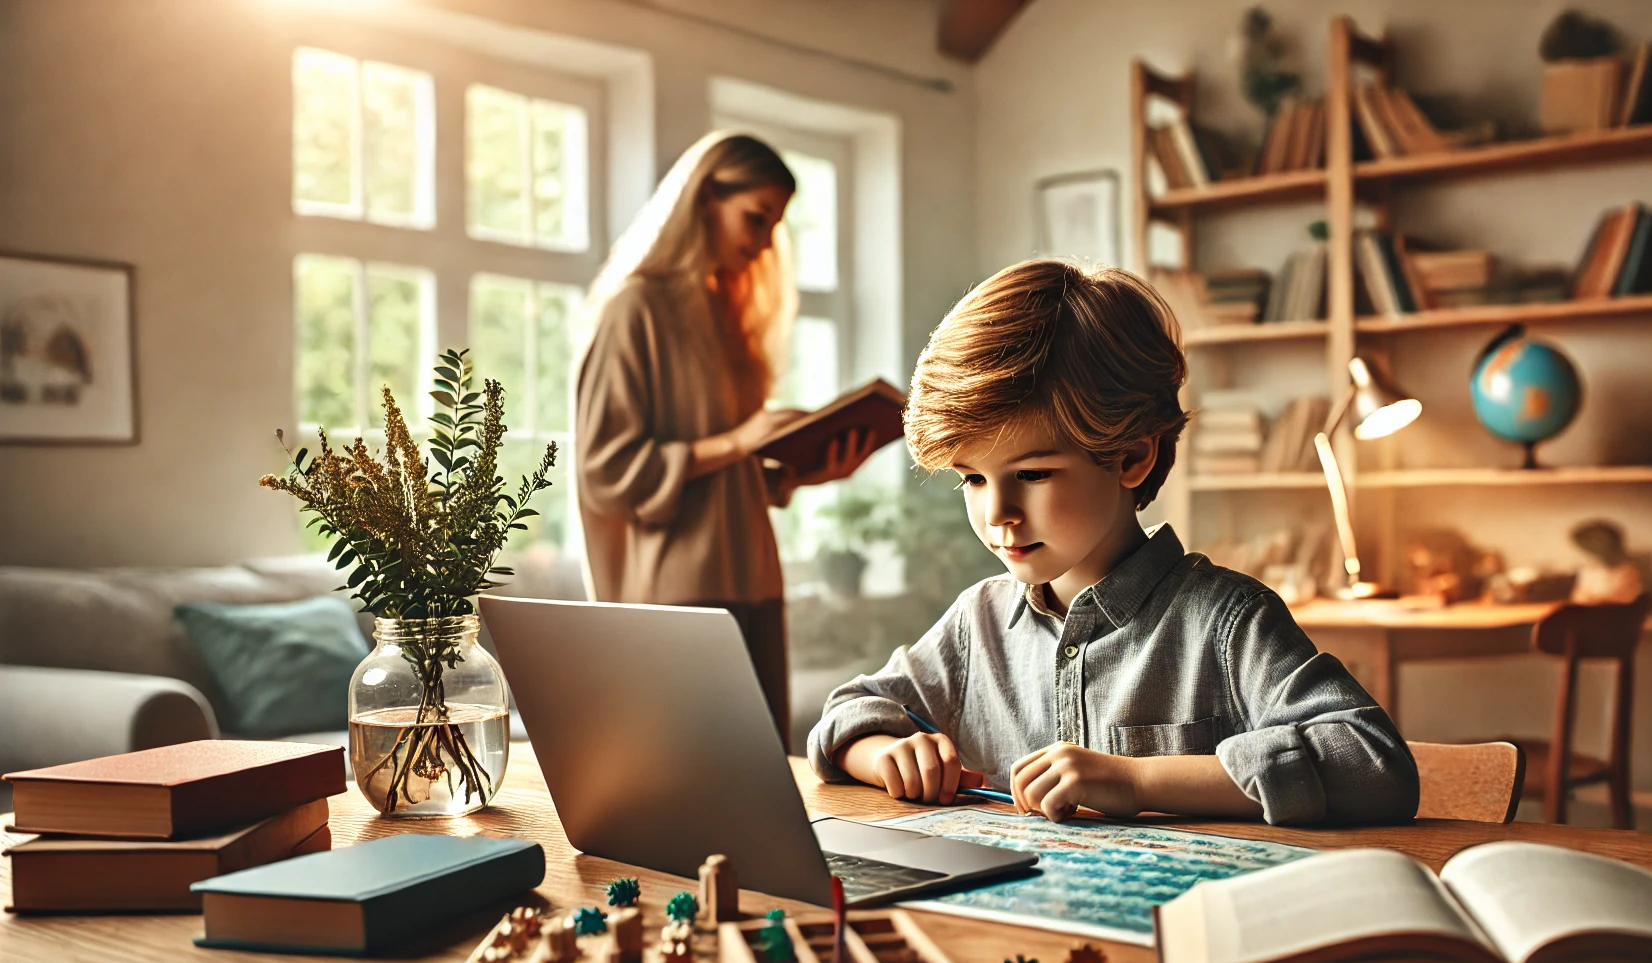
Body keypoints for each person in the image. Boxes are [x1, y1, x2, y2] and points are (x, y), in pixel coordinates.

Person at [804, 259, 1419, 824]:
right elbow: (845, 717)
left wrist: (1139, 781)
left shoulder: (1227, 622)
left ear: (1130, 456)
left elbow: (1374, 763)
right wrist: (888, 753)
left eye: (1033, 474)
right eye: (972, 478)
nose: (999, 513)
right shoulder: (978, 622)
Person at [577, 132, 874, 748]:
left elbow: (719, 478)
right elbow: (604, 468)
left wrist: (797, 472)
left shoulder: (725, 315)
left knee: (755, 769)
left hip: (755, 579)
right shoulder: (635, 308)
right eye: (756, 218)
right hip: (678, 592)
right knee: (689, 772)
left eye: (775, 224)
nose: (765, 241)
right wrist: (740, 441)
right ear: (707, 196)